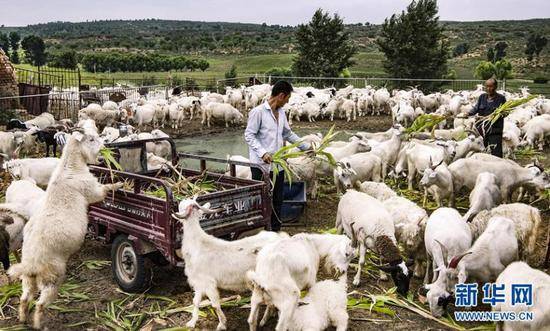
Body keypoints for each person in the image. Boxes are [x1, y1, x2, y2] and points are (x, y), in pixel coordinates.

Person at [244, 80, 310, 231]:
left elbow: (288, 133)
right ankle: (261, 229)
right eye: (287, 99)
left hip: (278, 165)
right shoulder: (258, 112)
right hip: (261, 166)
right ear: (281, 95)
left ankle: (275, 230)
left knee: (277, 199)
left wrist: (305, 147)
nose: (287, 102)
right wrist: (263, 153)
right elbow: (249, 135)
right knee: (263, 199)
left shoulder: (281, 113)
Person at [466, 78, 507, 157]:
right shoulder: (482, 97)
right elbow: (476, 108)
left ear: (495, 87)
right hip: (482, 131)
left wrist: (497, 115)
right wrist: (468, 113)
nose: (488, 89)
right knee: (483, 152)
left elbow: (505, 113)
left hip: (495, 131)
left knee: (496, 153)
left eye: (490, 86)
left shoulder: (501, 98)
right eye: (487, 86)